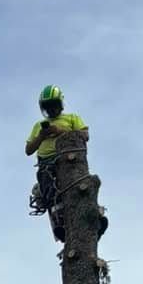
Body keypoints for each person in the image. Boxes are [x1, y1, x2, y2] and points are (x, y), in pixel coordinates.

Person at [24, 85, 88, 237]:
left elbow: (85, 136)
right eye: (48, 107)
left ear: (60, 104)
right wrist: (41, 136)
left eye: (54, 105)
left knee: (77, 187)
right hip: (46, 162)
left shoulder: (72, 118)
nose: (51, 110)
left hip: (68, 158)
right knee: (50, 190)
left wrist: (60, 131)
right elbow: (28, 150)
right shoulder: (38, 126)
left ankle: (90, 215)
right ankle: (58, 222)